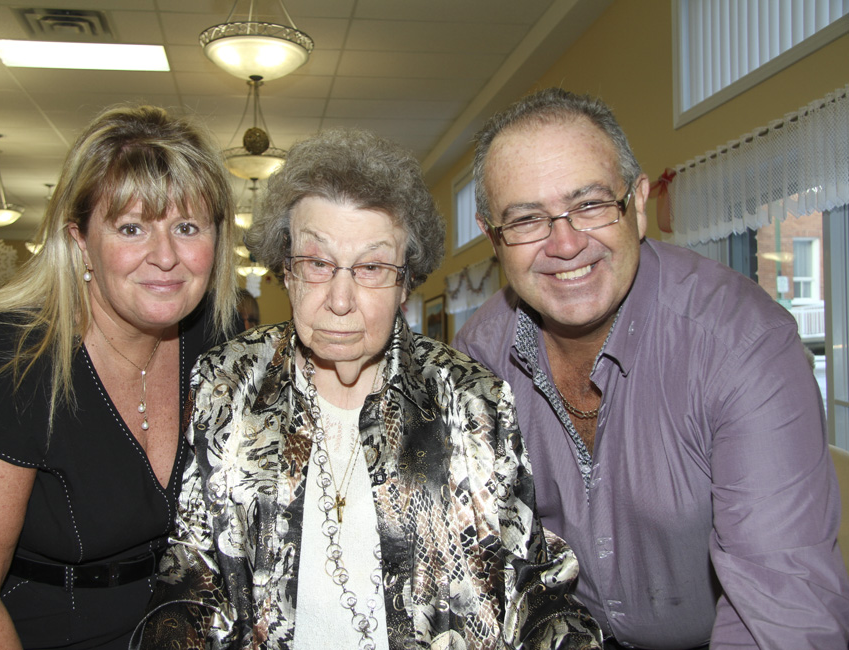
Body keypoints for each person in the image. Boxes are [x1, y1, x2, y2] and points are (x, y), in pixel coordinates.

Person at [134, 128, 602, 649]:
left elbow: (529, 588)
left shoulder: (469, 399)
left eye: (372, 267)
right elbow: (192, 574)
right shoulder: (229, 383)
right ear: (285, 272)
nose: (340, 299)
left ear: (405, 283)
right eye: (317, 263)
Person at [453, 87, 849, 649]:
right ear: (494, 238)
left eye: (590, 204)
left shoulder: (742, 346)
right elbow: (481, 560)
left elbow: (781, 611)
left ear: (637, 205)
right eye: (526, 219)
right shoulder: (480, 361)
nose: (565, 244)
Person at [0, 105, 238, 649]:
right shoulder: (3, 359)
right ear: (79, 241)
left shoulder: (213, 340)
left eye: (187, 227)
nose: (165, 257)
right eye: (132, 227)